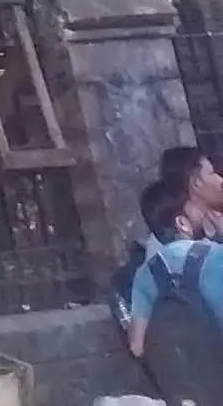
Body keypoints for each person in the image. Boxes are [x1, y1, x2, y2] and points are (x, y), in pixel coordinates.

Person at [121, 165, 223, 406]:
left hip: (186, 386)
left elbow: (136, 347)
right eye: (194, 207)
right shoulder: (215, 257)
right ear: (182, 223)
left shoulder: (146, 272)